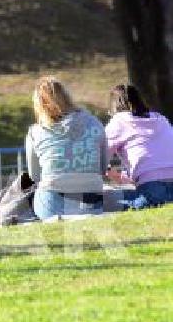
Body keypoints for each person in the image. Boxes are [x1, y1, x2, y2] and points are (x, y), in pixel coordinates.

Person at [25, 76, 108, 220]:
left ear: (39, 106)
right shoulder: (95, 123)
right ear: (67, 97)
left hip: (53, 195)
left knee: (29, 190)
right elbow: (102, 167)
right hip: (91, 193)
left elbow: (34, 176)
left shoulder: (35, 132)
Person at [104, 84, 173, 209]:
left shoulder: (119, 121)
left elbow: (98, 157)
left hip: (152, 189)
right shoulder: (161, 119)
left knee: (103, 200)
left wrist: (110, 172)